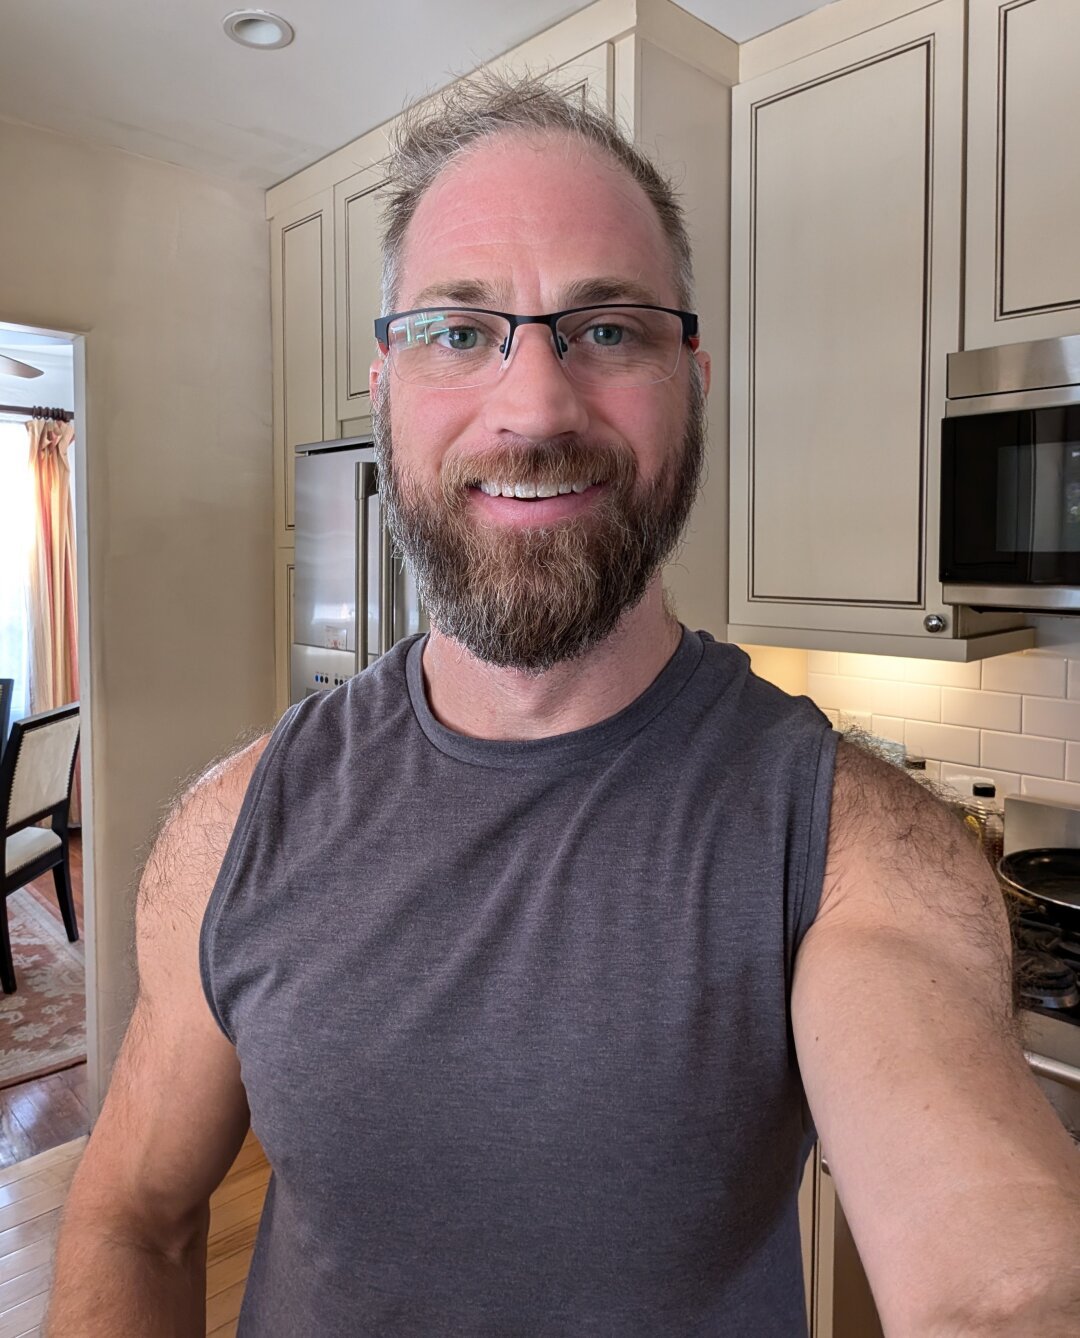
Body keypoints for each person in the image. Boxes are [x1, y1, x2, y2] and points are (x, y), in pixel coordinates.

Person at [48, 72, 1080, 1337]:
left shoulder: (857, 850)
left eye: (608, 330)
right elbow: (129, 1217)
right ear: (384, 380)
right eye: (459, 330)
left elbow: (1004, 1290)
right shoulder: (234, 824)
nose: (534, 407)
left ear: (691, 374)